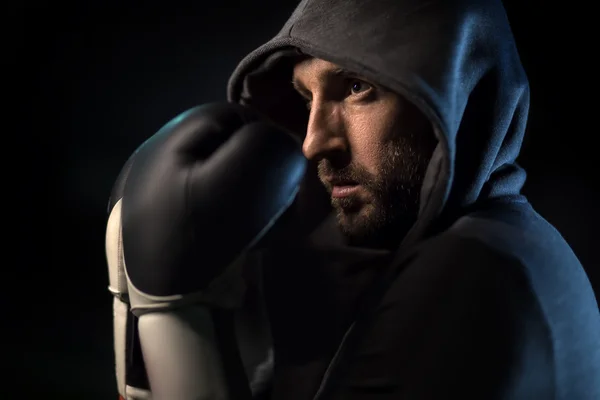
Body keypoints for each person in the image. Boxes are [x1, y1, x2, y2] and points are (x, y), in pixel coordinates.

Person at [105, 0, 600, 399]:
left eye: (357, 87)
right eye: (306, 99)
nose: (314, 141)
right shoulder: (484, 244)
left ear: (454, 95)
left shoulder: (472, 272)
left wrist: (170, 315)